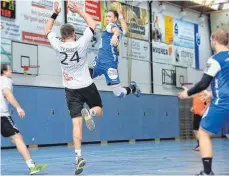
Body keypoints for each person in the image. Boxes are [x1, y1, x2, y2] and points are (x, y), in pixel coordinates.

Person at [44, 1, 103, 175]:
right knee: (99, 110)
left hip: (70, 90)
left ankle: (78, 157)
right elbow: (93, 24)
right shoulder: (81, 43)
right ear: (74, 35)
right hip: (87, 85)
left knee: (76, 124)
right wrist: (79, 10)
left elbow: (46, 30)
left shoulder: (58, 45)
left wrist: (55, 14)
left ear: (62, 37)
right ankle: (91, 113)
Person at [178, 29, 229, 175]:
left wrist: (187, 93)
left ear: (213, 40)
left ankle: (207, 172)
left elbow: (202, 83)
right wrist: (212, 93)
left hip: (223, 103)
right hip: (223, 99)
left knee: (203, 133)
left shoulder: (215, 59)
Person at [1, 64, 47, 175]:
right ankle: (32, 166)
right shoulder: (6, 80)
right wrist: (18, 107)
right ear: (4, 71)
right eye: (9, 69)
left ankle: (32, 166)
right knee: (17, 138)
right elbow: (7, 93)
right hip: (2, 115)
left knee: (15, 138)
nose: (11, 71)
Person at [89, 5, 141, 98]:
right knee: (85, 78)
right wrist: (121, 15)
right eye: (106, 16)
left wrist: (114, 36)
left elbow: (116, 30)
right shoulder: (118, 28)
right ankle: (133, 88)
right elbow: (125, 30)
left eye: (109, 16)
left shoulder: (111, 26)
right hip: (99, 62)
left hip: (110, 65)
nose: (107, 18)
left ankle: (133, 88)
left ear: (115, 19)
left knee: (119, 94)